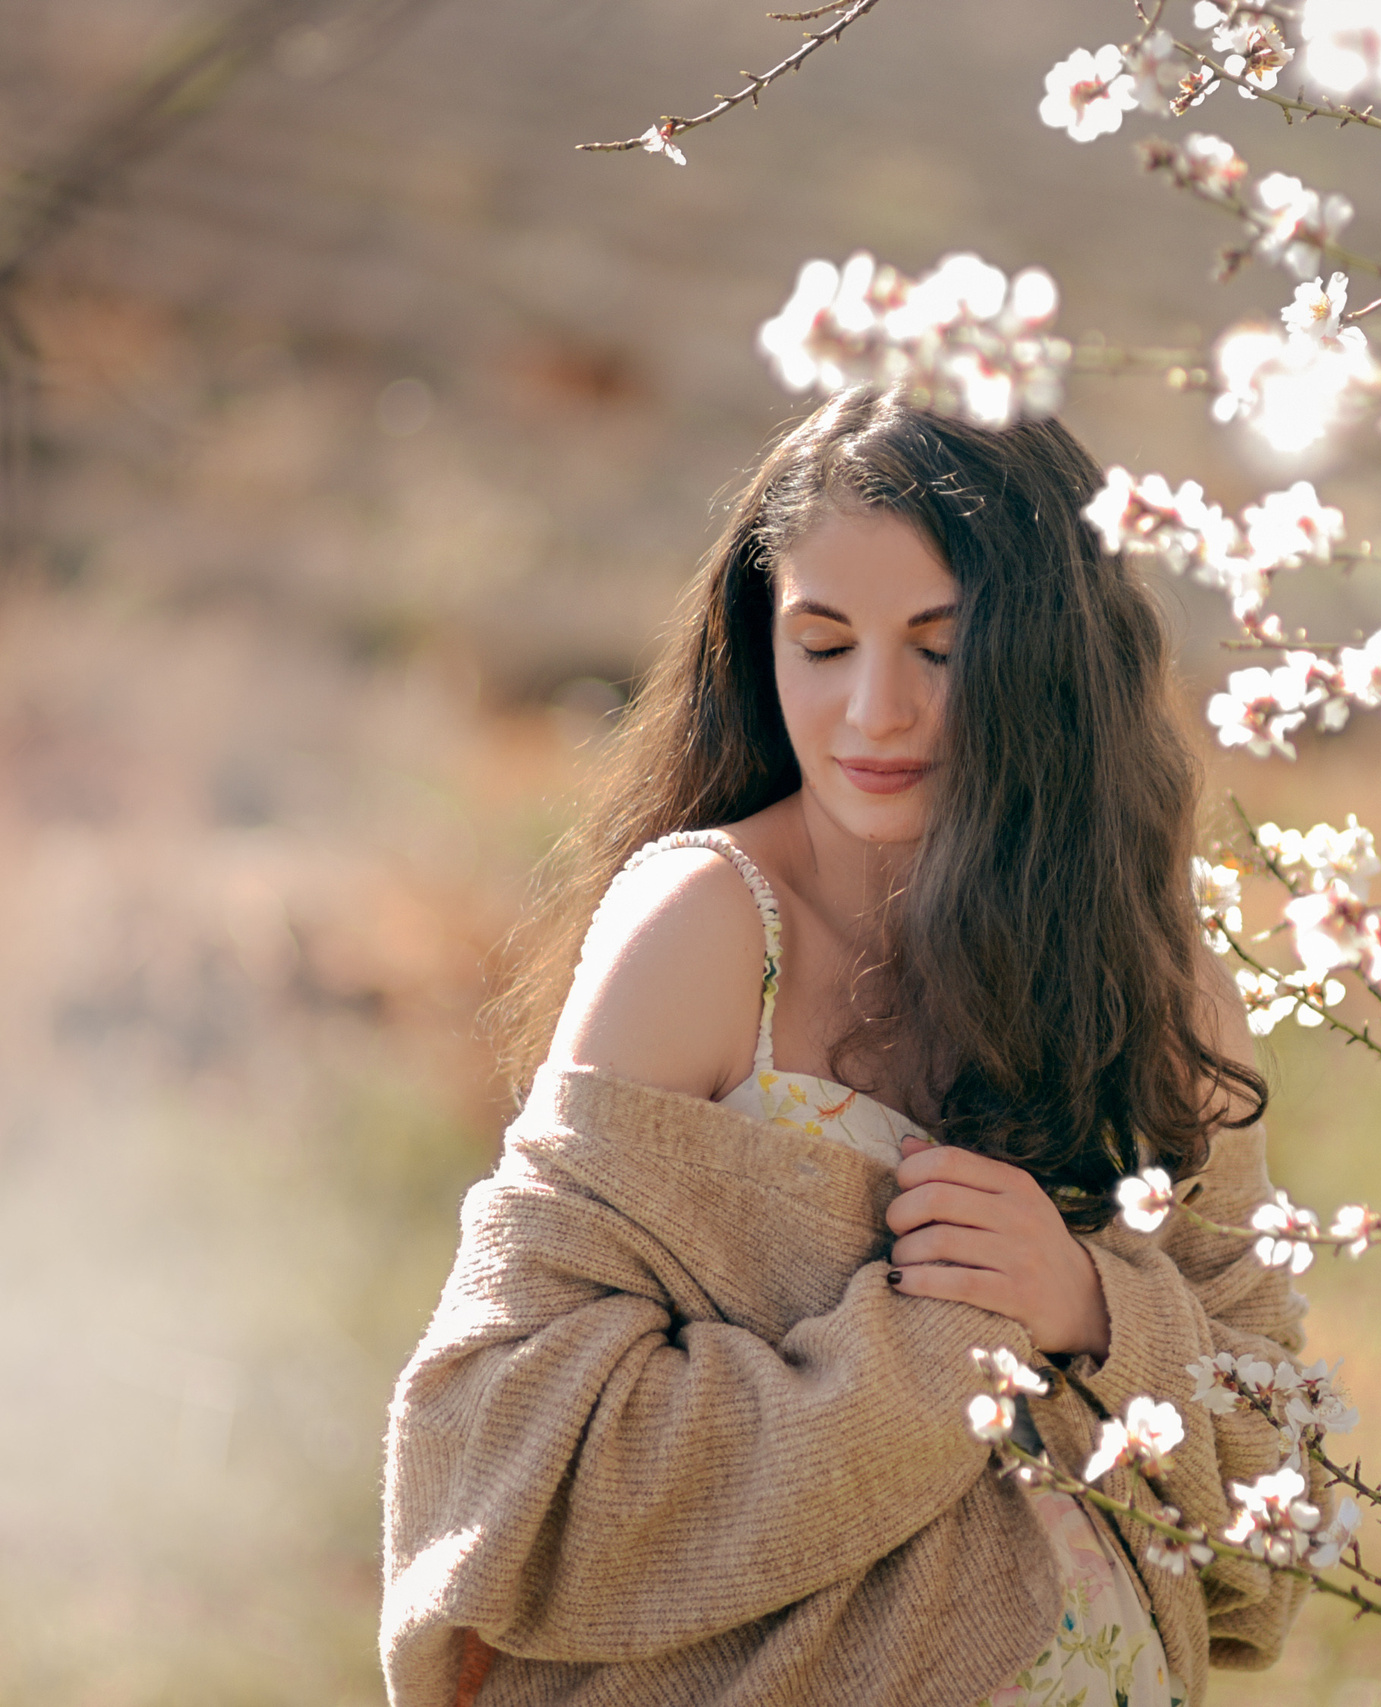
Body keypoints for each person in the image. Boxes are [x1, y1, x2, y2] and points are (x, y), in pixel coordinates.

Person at [379, 390, 1310, 1707]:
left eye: (942, 647)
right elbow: (505, 1455)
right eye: (823, 643)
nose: (874, 712)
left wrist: (1093, 1307)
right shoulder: (709, 930)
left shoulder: (1162, 989)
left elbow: (1279, 1479)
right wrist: (948, 1348)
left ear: (1050, 663)